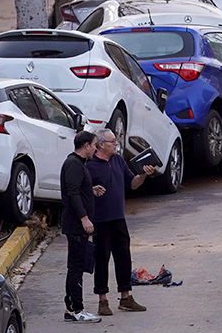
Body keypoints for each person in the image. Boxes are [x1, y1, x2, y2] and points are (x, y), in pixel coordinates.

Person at [86, 130, 155, 316]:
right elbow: (81, 190)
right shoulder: (90, 165)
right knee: (101, 258)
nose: (116, 144)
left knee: (123, 256)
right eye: (112, 142)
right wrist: (91, 190)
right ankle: (102, 299)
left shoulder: (118, 160)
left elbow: (132, 183)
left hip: (118, 217)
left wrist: (143, 174)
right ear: (101, 144)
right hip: (100, 219)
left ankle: (125, 297)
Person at [60, 130, 103, 323]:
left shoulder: (78, 165)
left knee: (76, 266)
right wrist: (84, 218)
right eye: (94, 145)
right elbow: (72, 192)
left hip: (77, 224)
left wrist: (90, 190)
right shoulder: (73, 164)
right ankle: (76, 309)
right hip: (76, 225)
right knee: (76, 267)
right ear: (86, 145)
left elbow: (78, 188)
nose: (96, 149)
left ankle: (72, 309)